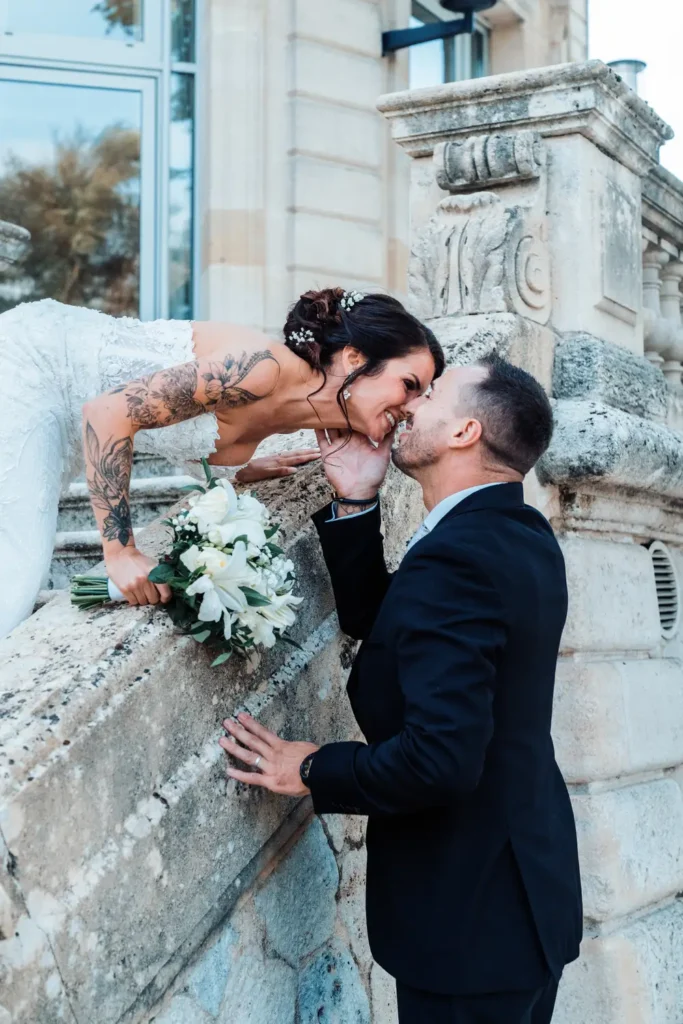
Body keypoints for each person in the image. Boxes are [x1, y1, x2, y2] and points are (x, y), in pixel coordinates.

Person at [219, 355, 583, 1024]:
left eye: (432, 392)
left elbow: (440, 760)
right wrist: (357, 500)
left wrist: (312, 767)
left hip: (471, 922)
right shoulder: (516, 533)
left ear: (465, 432)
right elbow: (400, 628)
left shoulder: (460, 552)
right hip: (521, 901)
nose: (410, 403)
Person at [0, 288, 443, 638]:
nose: (413, 408)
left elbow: (188, 425)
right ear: (355, 358)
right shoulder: (260, 369)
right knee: (20, 565)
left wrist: (242, 468)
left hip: (68, 408)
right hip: (35, 363)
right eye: (409, 384)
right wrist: (121, 553)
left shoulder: (296, 413)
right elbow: (107, 413)